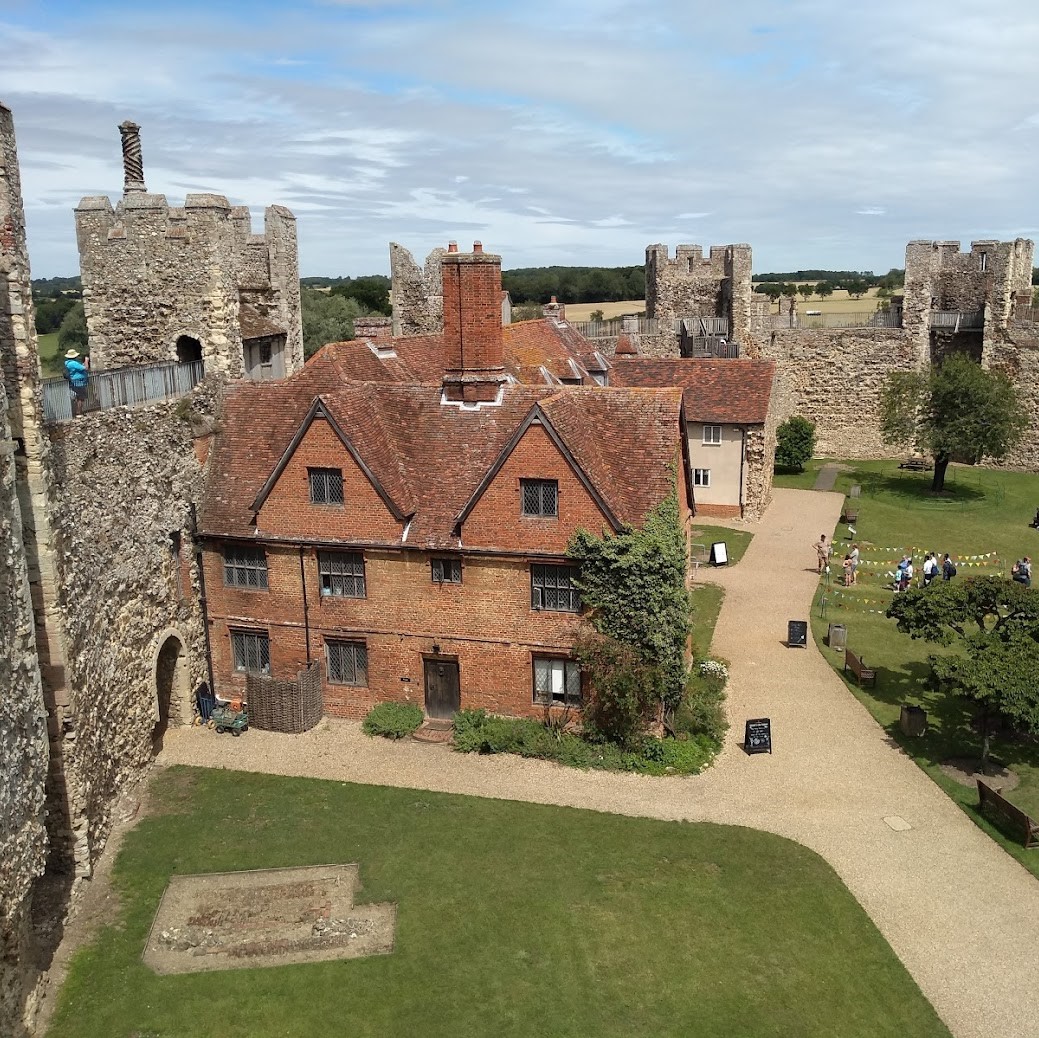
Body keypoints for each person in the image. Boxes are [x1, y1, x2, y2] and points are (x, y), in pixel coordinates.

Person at [63, 349, 89, 417]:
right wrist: (86, 360)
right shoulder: (74, 363)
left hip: (74, 382)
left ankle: (78, 412)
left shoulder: (68, 363)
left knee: (78, 398)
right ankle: (79, 413)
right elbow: (86, 368)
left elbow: (80, 368)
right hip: (79, 383)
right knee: (81, 398)